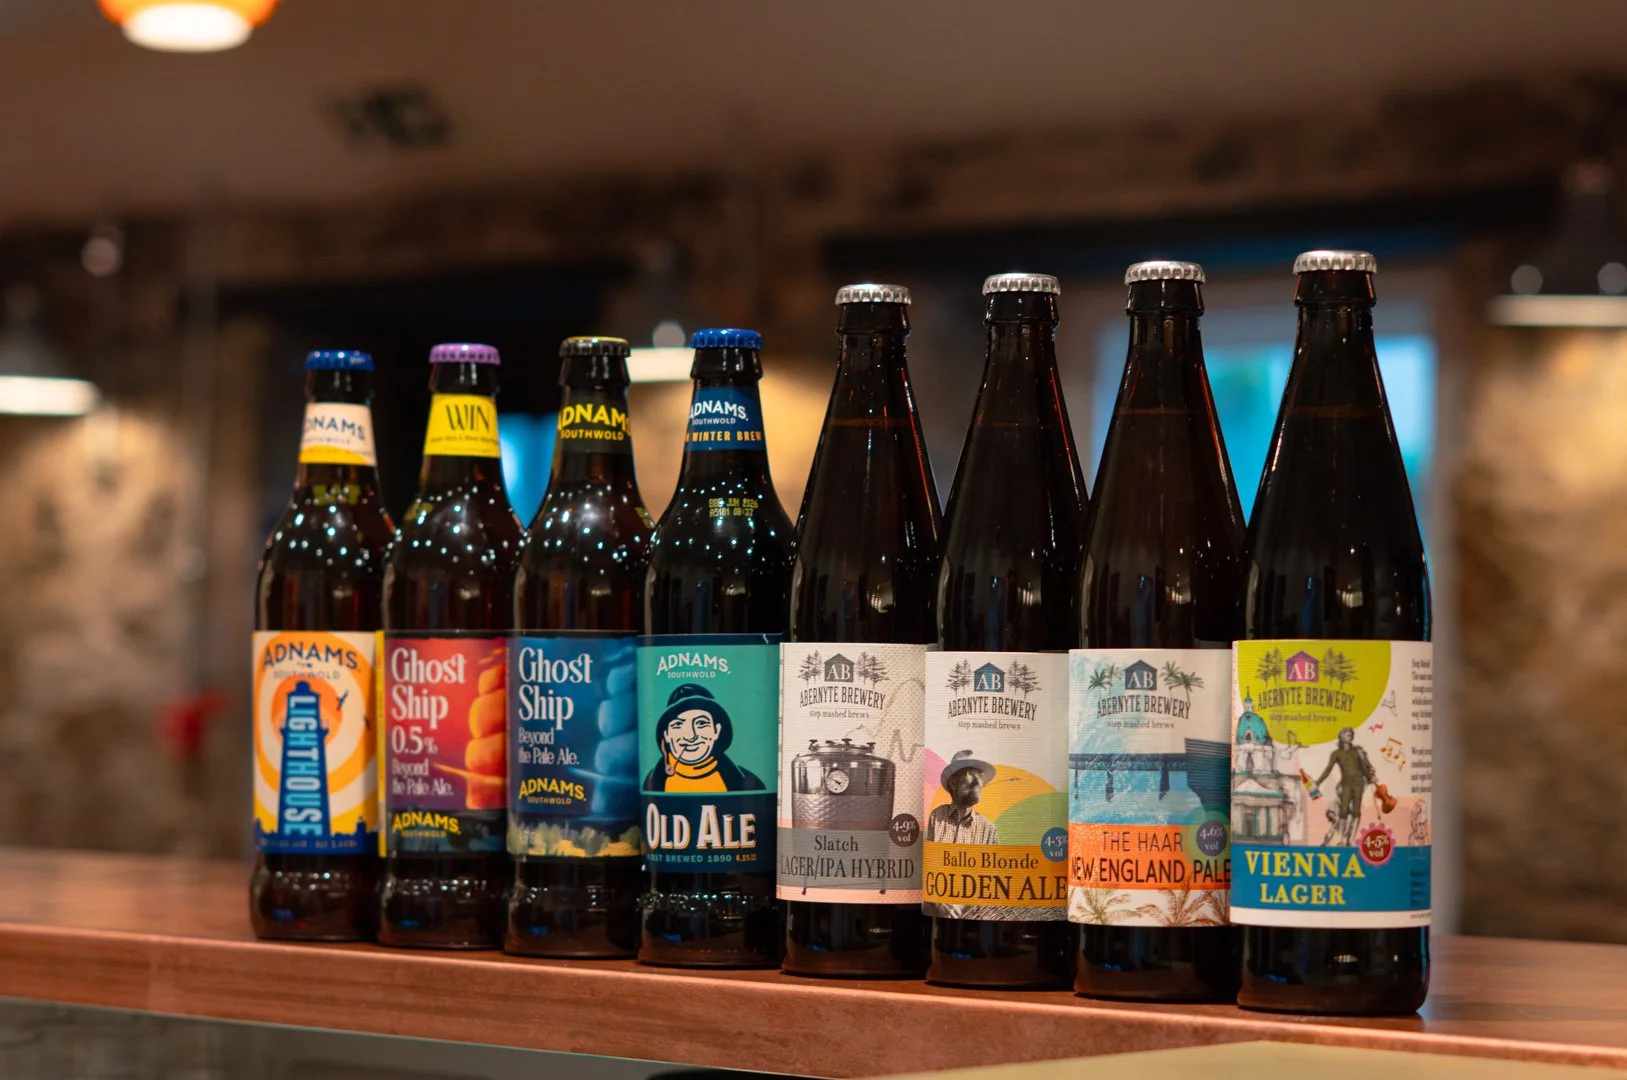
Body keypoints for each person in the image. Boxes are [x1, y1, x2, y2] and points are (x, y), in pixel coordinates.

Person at [642, 683, 762, 793]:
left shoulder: (747, 782)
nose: (691, 736)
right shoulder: (652, 783)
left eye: (701, 723)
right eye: (678, 725)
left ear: (716, 731)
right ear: (666, 735)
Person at [1315, 726, 1376, 846]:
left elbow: (1364, 768)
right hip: (1346, 783)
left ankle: (1352, 838)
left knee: (1356, 811)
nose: (1350, 735)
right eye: (1347, 734)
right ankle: (1341, 838)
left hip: (1358, 782)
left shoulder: (1357, 751)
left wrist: (1370, 776)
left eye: (1351, 734)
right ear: (1341, 737)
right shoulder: (1336, 754)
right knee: (1343, 811)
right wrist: (1318, 782)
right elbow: (1328, 769)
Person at [926, 750, 998, 844]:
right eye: (971, 774)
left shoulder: (988, 830)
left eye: (980, 776)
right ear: (953, 783)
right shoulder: (937, 816)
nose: (979, 783)